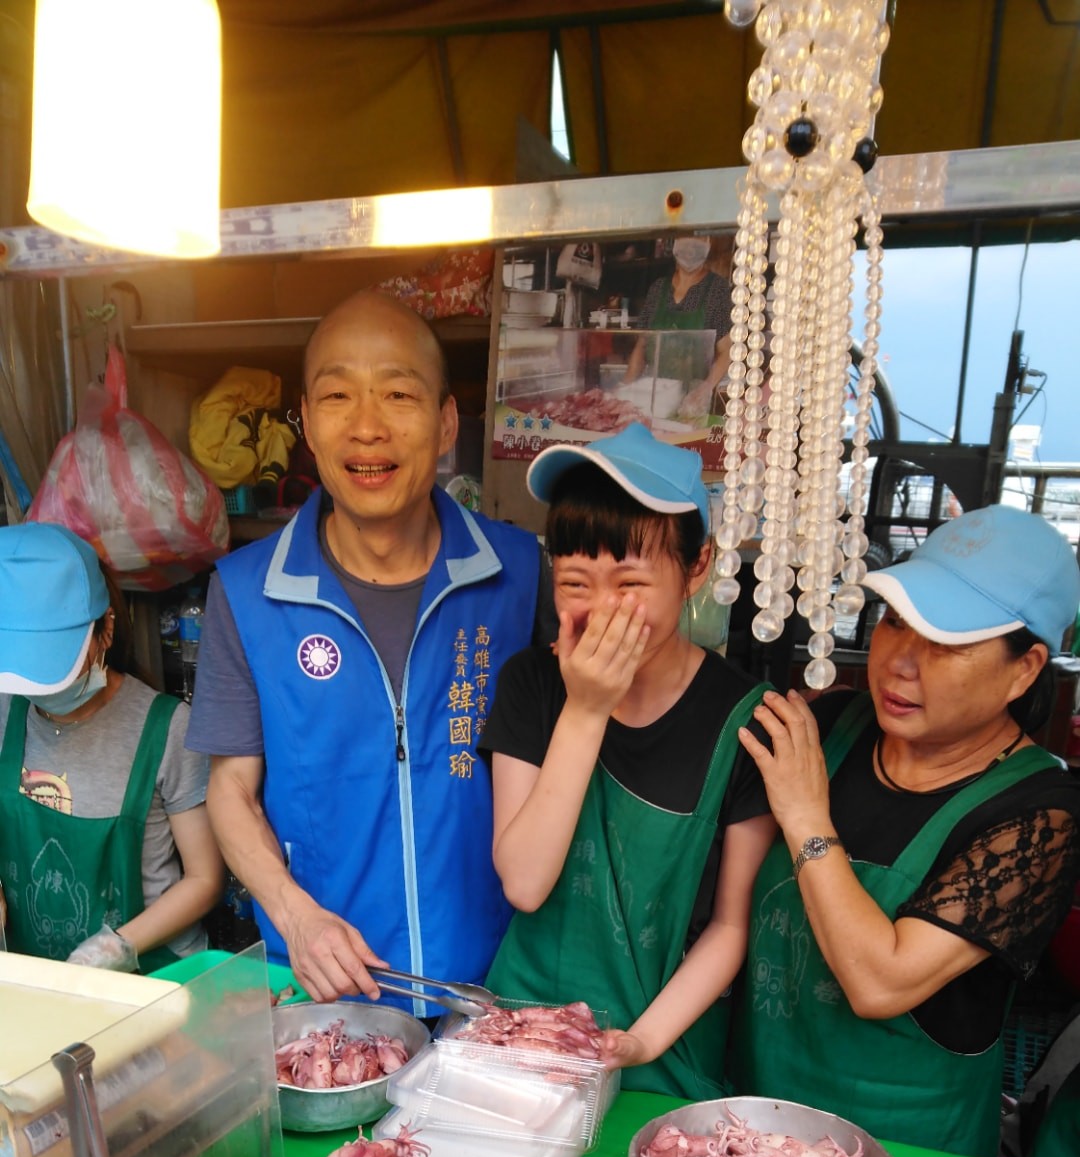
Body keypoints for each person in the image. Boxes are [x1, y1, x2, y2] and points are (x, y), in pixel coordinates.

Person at [187, 290, 554, 1004]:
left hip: (499, 1001)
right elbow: (230, 790)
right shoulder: (246, 591)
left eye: (397, 394)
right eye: (337, 397)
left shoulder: (520, 573)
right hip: (331, 1008)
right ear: (307, 423)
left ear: (447, 421)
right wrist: (296, 919)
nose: (366, 427)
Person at [734, 504, 1080, 1157]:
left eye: (947, 642)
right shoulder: (829, 723)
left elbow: (881, 982)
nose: (900, 662)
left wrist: (807, 815)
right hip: (754, 1128)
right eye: (896, 621)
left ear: (1025, 667)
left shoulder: (1041, 815)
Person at [481, 423, 775, 1096]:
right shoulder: (532, 683)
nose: (602, 609)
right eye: (576, 581)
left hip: (662, 1052)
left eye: (631, 581)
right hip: (526, 1035)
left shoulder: (746, 721)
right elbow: (524, 882)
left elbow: (732, 927)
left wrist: (641, 1040)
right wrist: (585, 708)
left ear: (696, 568)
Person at [0, 522, 223, 970]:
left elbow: (205, 879)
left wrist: (113, 948)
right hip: (37, 977)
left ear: (106, 630)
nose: (41, 692)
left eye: (55, 669)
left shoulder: (166, 728)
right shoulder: (5, 708)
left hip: (153, 977)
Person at [625, 234, 733, 414]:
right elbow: (641, 346)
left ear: (708, 243)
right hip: (655, 398)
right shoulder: (658, 289)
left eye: (697, 240)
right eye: (685, 239)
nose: (690, 248)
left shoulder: (717, 290)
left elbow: (728, 351)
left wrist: (705, 390)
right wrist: (626, 389)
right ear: (674, 243)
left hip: (693, 402)